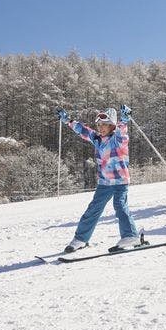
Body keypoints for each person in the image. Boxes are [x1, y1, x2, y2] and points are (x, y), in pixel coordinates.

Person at [56, 105, 140, 253]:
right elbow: (83, 130)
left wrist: (124, 120)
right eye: (99, 125)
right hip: (104, 183)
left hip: (120, 180)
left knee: (120, 206)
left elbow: (122, 131)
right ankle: (81, 239)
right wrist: (68, 120)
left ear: (112, 126)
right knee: (93, 209)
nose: (101, 128)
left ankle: (130, 235)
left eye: (105, 125)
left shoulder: (118, 140)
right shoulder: (97, 138)